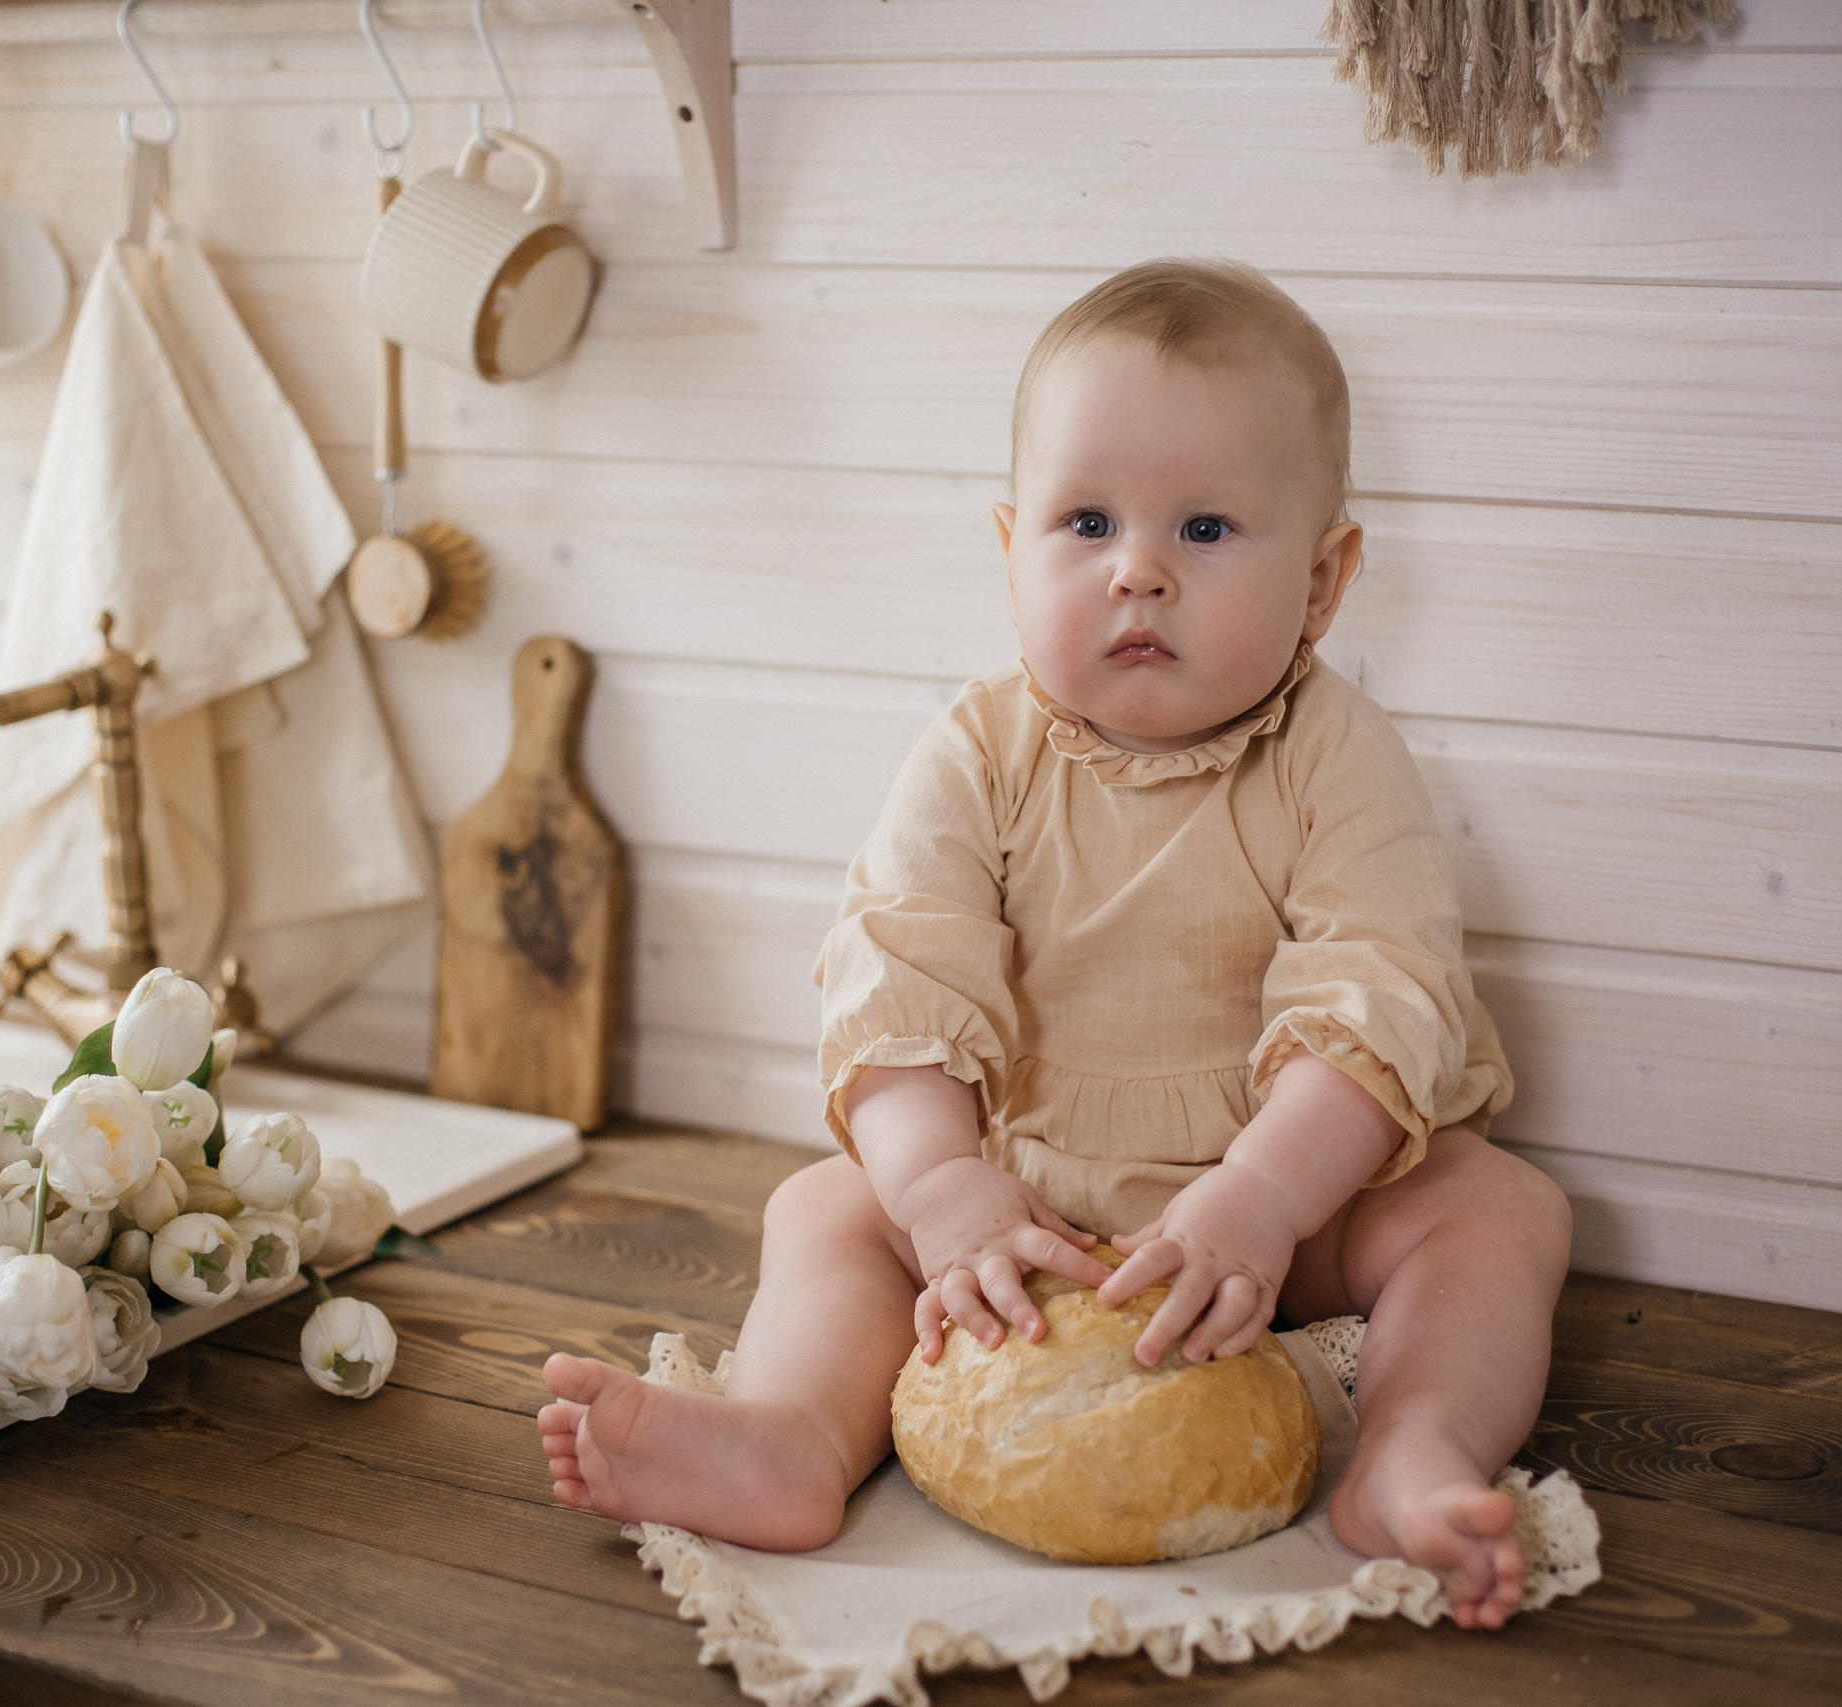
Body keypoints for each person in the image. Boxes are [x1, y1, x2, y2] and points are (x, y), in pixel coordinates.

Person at [538, 259, 1572, 1630]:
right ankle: (786, 1436)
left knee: (1497, 1211)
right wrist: (941, 1189)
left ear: (1324, 583)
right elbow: (901, 976)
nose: (1137, 570)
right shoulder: (980, 751)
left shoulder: (1335, 758)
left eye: (1206, 529)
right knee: (830, 1210)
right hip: (1024, 1208)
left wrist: (1264, 1198)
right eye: (1087, 523)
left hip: (1284, 1212)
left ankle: (1411, 1447)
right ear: (1012, 545)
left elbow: (1380, 994)